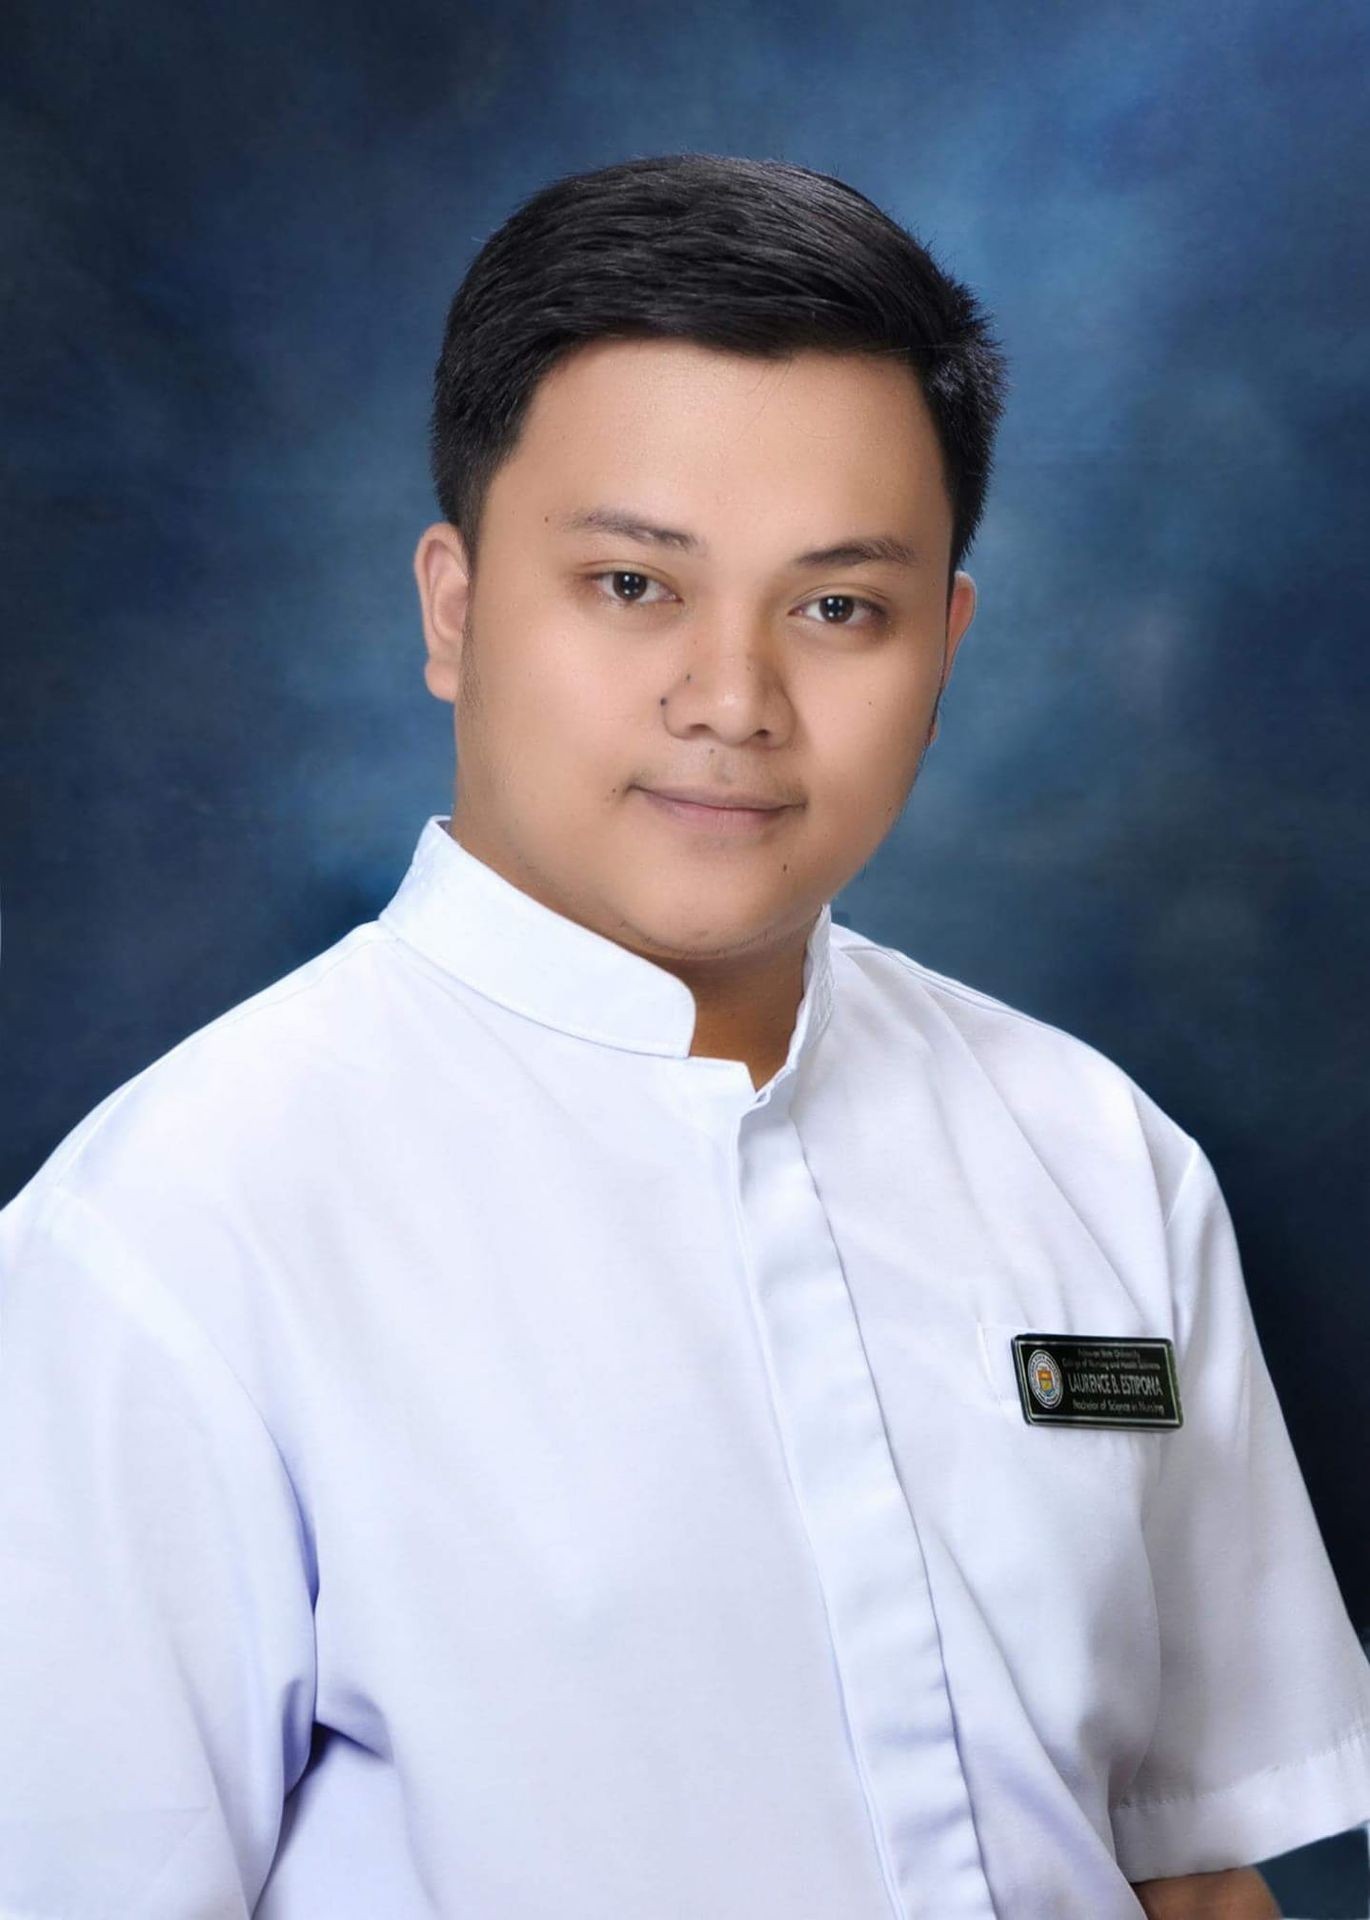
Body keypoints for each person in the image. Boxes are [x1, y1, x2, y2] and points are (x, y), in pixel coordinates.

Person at [1, 151, 1366, 1920]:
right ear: (454, 605)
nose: (732, 699)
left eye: (836, 607)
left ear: (944, 648)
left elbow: (1188, 1875)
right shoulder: (168, 1242)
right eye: (633, 585)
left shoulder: (1095, 1153)